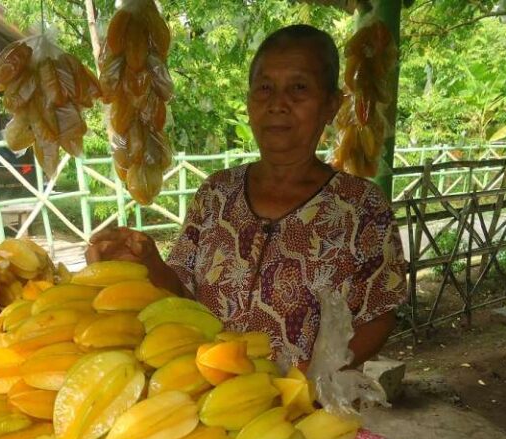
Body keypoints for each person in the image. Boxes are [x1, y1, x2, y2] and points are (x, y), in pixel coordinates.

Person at [86, 24, 407, 369]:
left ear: (330, 104)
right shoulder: (216, 193)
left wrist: (312, 380)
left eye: (298, 88)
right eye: (264, 88)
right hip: (209, 401)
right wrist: (148, 263)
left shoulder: (361, 207)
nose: (277, 104)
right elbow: (180, 294)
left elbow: (379, 314)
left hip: (308, 411)